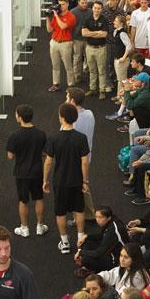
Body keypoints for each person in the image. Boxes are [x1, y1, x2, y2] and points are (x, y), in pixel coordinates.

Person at [43, 103, 91, 254]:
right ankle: (80, 240)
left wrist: (45, 180)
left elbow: (49, 161)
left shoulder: (54, 138)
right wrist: (85, 181)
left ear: (62, 118)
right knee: (79, 209)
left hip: (60, 181)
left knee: (60, 212)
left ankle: (64, 243)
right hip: (76, 180)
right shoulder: (81, 138)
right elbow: (84, 162)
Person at [7, 104, 48, 237]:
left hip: (21, 172)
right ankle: (40, 226)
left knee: (23, 200)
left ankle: (24, 228)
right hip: (37, 171)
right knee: (39, 198)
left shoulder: (14, 135)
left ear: (19, 117)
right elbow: (45, 153)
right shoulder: (41, 134)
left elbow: (10, 156)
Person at [67, 87, 96, 220]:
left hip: (74, 159)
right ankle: (89, 214)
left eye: (67, 97)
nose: (65, 100)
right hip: (87, 156)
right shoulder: (90, 114)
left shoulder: (71, 121)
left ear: (72, 101)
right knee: (84, 186)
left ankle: (78, 217)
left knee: (75, 188)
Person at [75, 206, 128, 276]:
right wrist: (86, 236)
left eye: (100, 217)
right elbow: (100, 236)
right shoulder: (111, 220)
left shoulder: (112, 232)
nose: (97, 220)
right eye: (96, 216)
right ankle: (88, 265)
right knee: (86, 241)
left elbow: (98, 253)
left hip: (115, 261)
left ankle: (92, 269)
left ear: (108, 218)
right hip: (109, 250)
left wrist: (81, 252)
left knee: (85, 259)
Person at [47, 0, 77, 92]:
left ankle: (71, 85)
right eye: (59, 5)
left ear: (67, 4)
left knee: (68, 65)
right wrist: (47, 18)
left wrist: (56, 16)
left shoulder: (71, 16)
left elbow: (63, 26)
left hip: (66, 43)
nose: (61, 7)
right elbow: (49, 29)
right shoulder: (57, 16)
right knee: (55, 65)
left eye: (63, 4)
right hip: (54, 42)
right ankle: (56, 84)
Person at [83, 0, 111, 99]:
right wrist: (97, 32)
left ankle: (102, 90)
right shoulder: (87, 19)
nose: (96, 10)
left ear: (101, 9)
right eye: (95, 8)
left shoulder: (104, 20)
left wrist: (90, 33)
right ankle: (92, 88)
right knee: (92, 70)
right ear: (92, 8)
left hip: (101, 48)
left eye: (99, 8)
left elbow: (104, 34)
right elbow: (84, 33)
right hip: (89, 48)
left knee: (102, 70)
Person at [70, 0, 91, 82]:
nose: (84, 4)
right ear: (78, 2)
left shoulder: (91, 11)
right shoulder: (73, 12)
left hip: (88, 38)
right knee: (77, 58)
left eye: (86, 3)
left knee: (89, 58)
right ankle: (77, 76)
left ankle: (88, 73)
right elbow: (70, 27)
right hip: (77, 39)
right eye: (82, 3)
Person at [112, 14, 133, 97]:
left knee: (122, 79)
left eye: (116, 21)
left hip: (121, 59)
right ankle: (119, 96)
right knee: (119, 79)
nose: (114, 22)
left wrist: (124, 57)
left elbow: (129, 46)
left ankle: (121, 97)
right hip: (117, 58)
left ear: (121, 23)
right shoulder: (116, 31)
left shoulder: (122, 33)